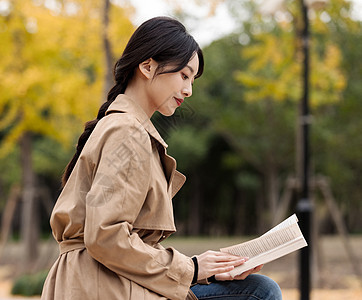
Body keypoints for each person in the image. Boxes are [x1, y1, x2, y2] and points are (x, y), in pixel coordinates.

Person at [41, 16, 282, 300]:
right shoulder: (128, 132)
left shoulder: (127, 128)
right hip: (103, 286)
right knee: (259, 293)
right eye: (183, 75)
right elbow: (106, 236)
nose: (188, 90)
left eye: (192, 80)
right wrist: (191, 268)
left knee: (257, 289)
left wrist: (204, 269)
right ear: (147, 66)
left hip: (105, 280)